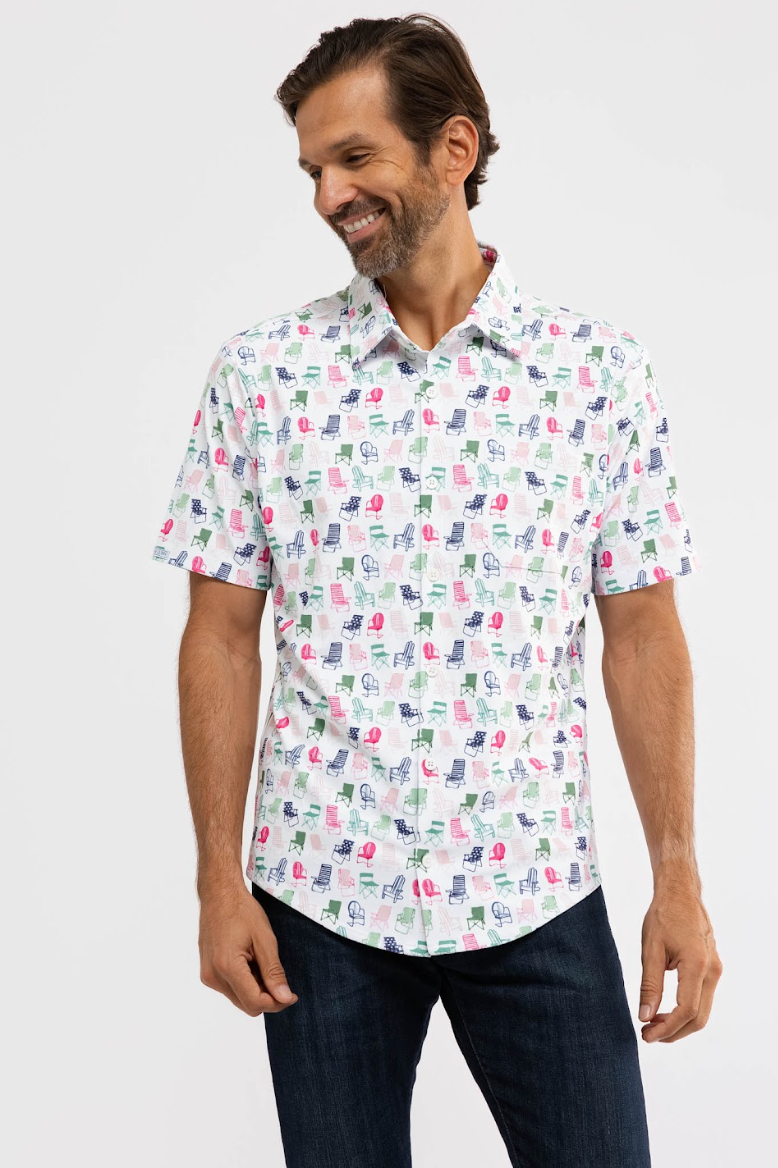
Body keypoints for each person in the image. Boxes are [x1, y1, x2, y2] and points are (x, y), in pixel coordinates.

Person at [151, 14, 722, 1167]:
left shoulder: (595, 372)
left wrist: (677, 877)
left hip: (537, 888)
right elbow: (219, 638)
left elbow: (641, 634)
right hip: (321, 903)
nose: (328, 196)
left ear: (453, 149)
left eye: (354, 158)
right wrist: (217, 881)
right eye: (313, 170)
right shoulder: (264, 377)